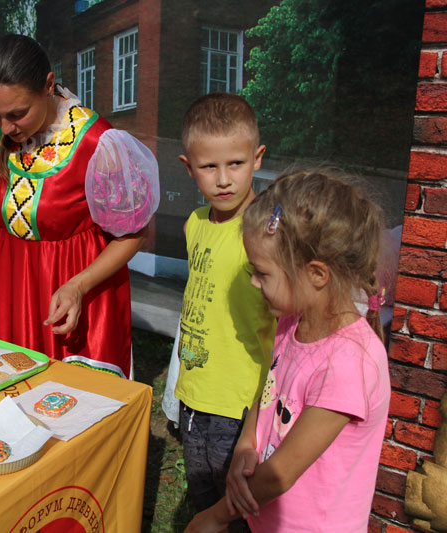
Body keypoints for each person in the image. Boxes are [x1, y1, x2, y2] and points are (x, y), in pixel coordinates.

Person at [0, 34, 159, 379]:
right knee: (8, 386)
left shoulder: (97, 144)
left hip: (75, 290)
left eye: (17, 114)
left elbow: (134, 235)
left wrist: (78, 286)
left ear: (48, 85)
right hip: (11, 287)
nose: (5, 127)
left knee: (71, 397)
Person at [185, 170, 391, 532]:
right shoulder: (292, 321)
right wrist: (246, 443)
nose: (253, 282)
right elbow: (269, 388)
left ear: (316, 274)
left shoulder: (349, 364)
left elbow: (281, 473)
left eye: (262, 273)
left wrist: (214, 517)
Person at [166, 93, 276, 524]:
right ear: (188, 167)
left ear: (257, 157)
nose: (224, 179)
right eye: (209, 167)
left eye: (236, 163)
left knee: (239, 505)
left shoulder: (268, 232)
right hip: (196, 391)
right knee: (202, 490)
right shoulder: (194, 224)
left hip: (241, 400)